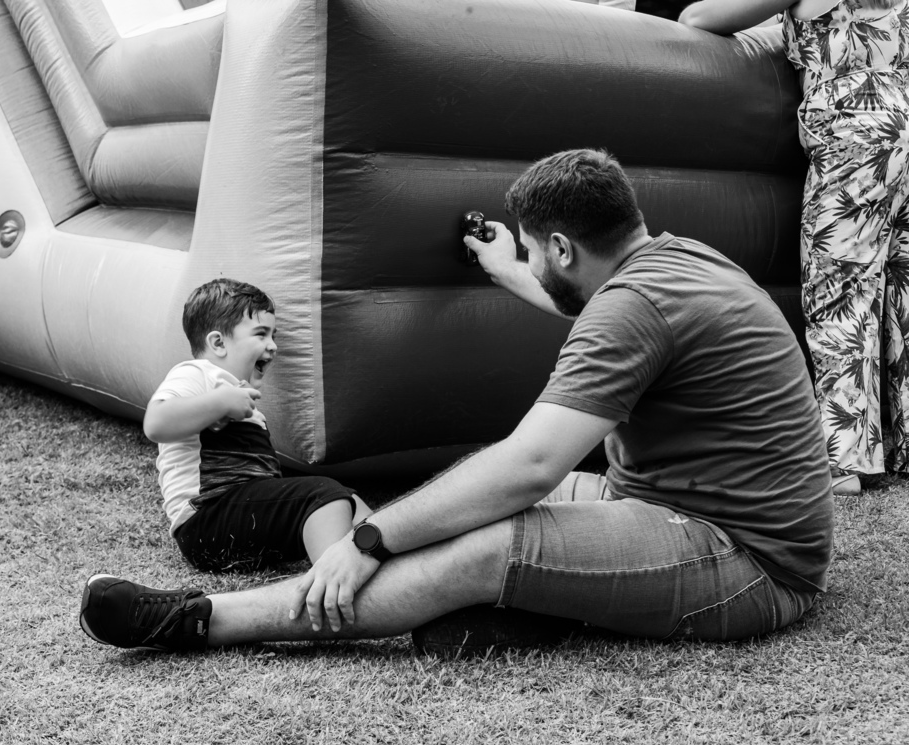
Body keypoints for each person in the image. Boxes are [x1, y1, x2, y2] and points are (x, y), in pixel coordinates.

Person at [79, 150, 833, 654]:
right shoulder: (675, 260)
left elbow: (530, 466)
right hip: (676, 505)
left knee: (482, 541)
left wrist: (370, 541)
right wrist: (506, 268)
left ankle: (199, 621)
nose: (536, 265)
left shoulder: (631, 308)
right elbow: (589, 309)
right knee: (468, 491)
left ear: (565, 248)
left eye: (539, 252)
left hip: (749, 562)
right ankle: (532, 611)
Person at [680, 0, 909, 496]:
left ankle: (842, 460)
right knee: (903, 295)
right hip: (904, 117)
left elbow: (699, 18)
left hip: (859, 126)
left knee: (839, 287)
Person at [138, 277, 372, 576]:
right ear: (218, 343)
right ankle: (335, 582)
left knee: (348, 499)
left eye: (274, 335)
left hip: (244, 519)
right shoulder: (197, 373)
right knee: (322, 494)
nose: (273, 346)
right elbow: (156, 424)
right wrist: (220, 402)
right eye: (261, 334)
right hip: (207, 521)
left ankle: (384, 554)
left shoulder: (246, 406)